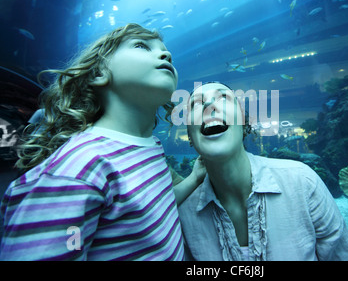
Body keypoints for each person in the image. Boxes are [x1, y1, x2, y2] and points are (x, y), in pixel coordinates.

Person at [0, 24, 205, 260]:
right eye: (141, 46)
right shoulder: (77, 170)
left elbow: (155, 208)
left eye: (165, 50)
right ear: (99, 73)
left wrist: (194, 178)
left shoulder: (149, 147)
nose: (166, 54)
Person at [177, 82, 348, 260]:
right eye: (196, 104)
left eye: (223, 98)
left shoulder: (302, 182)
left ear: (244, 124)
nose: (209, 104)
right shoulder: (183, 214)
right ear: (190, 136)